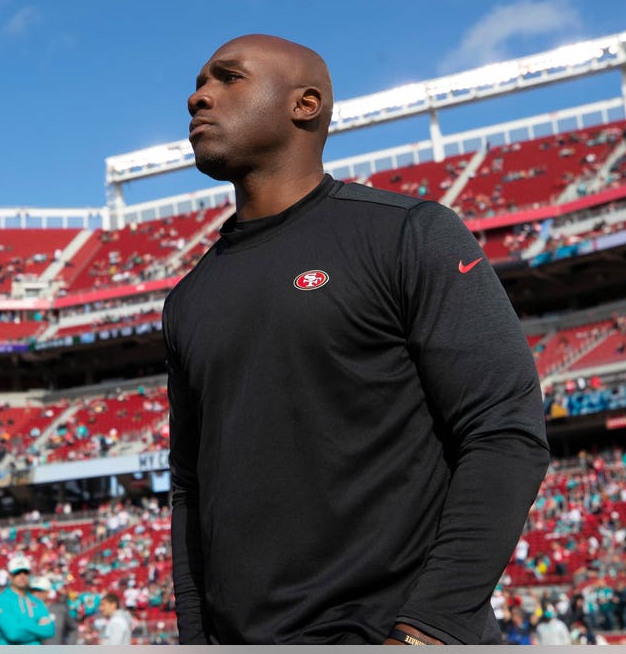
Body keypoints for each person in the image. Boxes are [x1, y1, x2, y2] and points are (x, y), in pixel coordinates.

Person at [165, 34, 549, 645]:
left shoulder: (410, 235)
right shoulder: (189, 297)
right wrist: (196, 638)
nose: (197, 96)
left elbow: (505, 431)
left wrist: (428, 631)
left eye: (227, 78)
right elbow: (190, 485)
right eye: (200, 82)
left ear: (305, 104)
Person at [0, 557, 55, 645]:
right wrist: (37, 629)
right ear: (10, 576)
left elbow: (49, 631)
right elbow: (13, 634)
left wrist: (23, 626)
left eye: (25, 572)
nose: (22, 576)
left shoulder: (36, 601)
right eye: (17, 573)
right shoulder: (2, 601)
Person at [28, 576, 72, 645]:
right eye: (33, 591)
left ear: (47, 592)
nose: (36, 594)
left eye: (39, 591)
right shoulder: (25, 610)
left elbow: (72, 629)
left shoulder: (60, 610)